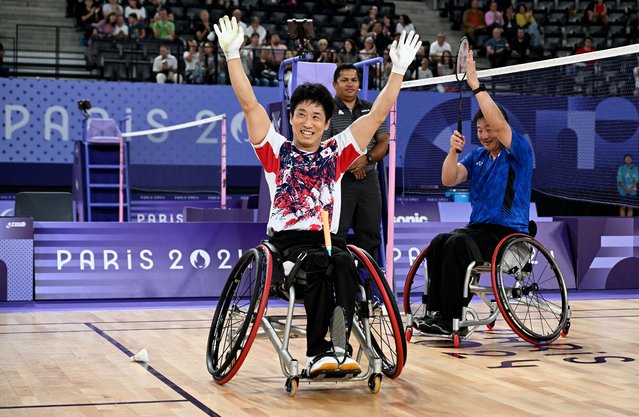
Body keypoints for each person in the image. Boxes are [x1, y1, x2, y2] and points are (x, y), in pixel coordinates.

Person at [213, 15, 419, 376]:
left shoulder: (336, 151)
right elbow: (249, 106)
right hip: (287, 244)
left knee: (345, 263)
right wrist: (232, 54)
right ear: (291, 119)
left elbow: (378, 115)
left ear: (327, 124)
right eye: (302, 115)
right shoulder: (276, 150)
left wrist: (398, 71)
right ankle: (317, 352)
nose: (308, 122)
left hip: (329, 238)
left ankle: (339, 349)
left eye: (316, 117)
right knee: (324, 264)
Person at [418, 48, 533, 336]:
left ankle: (452, 318)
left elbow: (501, 125)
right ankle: (437, 313)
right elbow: (449, 179)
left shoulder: (518, 152)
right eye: (480, 130)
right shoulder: (477, 156)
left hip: (508, 234)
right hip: (479, 230)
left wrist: (476, 86)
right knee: (440, 241)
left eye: (489, 129)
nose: (484, 134)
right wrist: (453, 152)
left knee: (457, 246)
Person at [322, 64, 390, 263]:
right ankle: (336, 282)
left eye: (354, 80)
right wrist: (351, 164)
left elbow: (383, 141)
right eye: (344, 80)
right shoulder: (327, 110)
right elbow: (325, 145)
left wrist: (366, 159)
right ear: (335, 84)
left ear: (359, 84)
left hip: (369, 179)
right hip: (339, 182)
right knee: (336, 233)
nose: (350, 84)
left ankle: (368, 286)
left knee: (370, 233)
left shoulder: (371, 109)